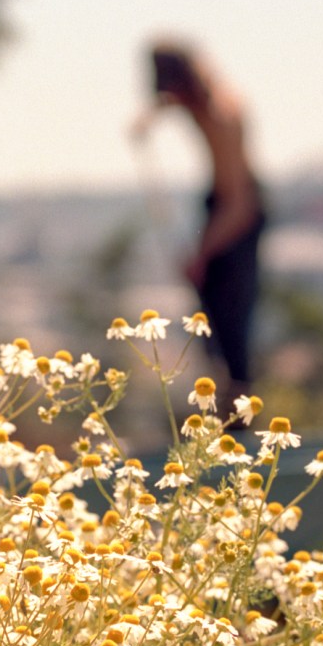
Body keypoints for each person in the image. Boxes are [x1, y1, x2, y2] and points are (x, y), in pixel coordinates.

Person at [134, 40, 265, 402]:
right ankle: (224, 402)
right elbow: (168, 103)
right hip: (223, 205)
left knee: (228, 317)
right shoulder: (198, 100)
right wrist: (146, 120)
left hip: (236, 213)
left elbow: (241, 204)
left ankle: (237, 413)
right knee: (210, 312)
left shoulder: (221, 115)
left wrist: (201, 254)